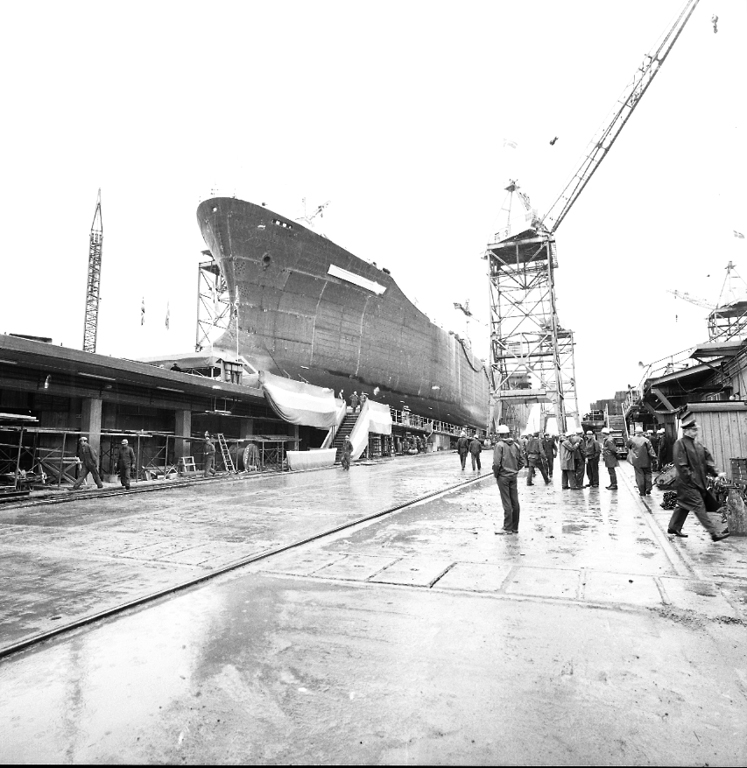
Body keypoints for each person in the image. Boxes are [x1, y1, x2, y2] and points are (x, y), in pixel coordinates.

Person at [667, 410, 729, 540]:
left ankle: (674, 527)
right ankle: (714, 533)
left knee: (683, 504)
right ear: (686, 431)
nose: (696, 432)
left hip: (696, 482)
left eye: (696, 430)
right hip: (687, 483)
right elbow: (682, 465)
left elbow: (708, 461)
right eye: (693, 430)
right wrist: (692, 479)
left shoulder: (698, 445)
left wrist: (717, 473)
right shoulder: (680, 444)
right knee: (698, 506)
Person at [492, 424, 524, 534]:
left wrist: (497, 474)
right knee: (515, 501)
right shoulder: (516, 445)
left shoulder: (499, 445)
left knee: (506, 502)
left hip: (503, 476)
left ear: (499, 435)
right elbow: (522, 462)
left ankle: (507, 528)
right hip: (513, 476)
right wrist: (514, 470)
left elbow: (496, 463)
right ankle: (515, 527)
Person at [627, 427, 656, 496]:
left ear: (635, 432)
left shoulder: (631, 440)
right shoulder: (646, 440)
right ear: (642, 432)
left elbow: (627, 447)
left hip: (636, 461)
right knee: (648, 474)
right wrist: (654, 459)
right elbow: (651, 451)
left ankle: (642, 491)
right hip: (646, 461)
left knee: (639, 476)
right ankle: (648, 488)